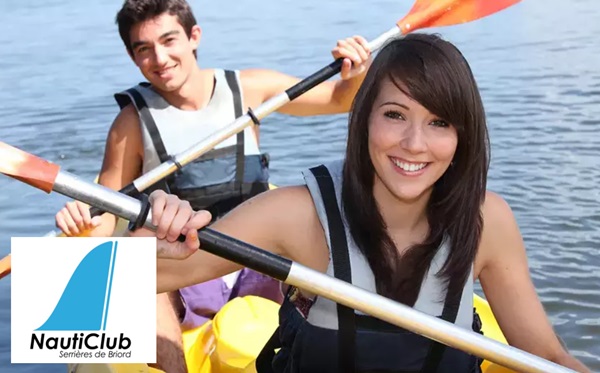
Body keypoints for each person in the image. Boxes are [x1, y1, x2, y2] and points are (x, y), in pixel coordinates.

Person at [132, 33, 591, 372]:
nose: (415, 144)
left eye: (439, 122)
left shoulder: (487, 221)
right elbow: (109, 288)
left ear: (462, 135)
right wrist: (155, 247)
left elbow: (544, 357)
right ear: (363, 120)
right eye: (395, 115)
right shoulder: (297, 216)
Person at [53, 0, 372, 371]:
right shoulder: (130, 124)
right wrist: (82, 223)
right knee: (138, 262)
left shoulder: (250, 89)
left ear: (193, 37)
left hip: (255, 252)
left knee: (313, 240)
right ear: (132, 56)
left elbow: (340, 99)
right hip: (182, 258)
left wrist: (356, 72)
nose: (160, 58)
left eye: (169, 40)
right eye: (144, 49)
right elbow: (109, 207)